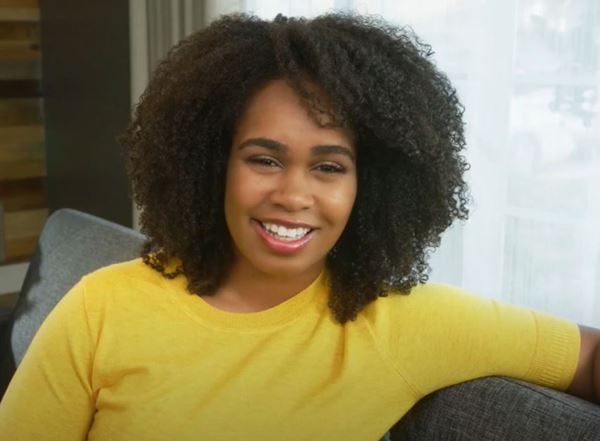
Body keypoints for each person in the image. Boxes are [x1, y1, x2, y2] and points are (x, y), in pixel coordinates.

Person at [0, 12, 598, 441]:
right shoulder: (100, 308)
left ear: (371, 186)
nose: (292, 195)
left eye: (329, 166)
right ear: (212, 165)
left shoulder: (402, 324)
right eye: (264, 158)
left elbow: (586, 355)